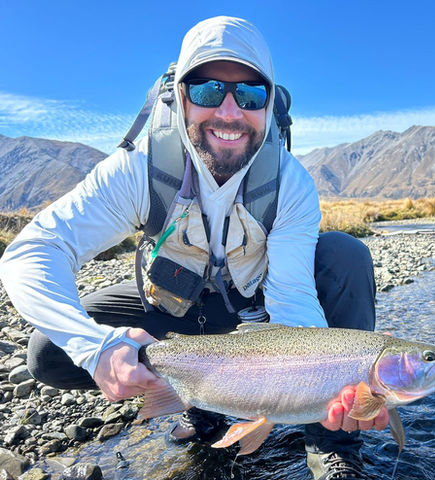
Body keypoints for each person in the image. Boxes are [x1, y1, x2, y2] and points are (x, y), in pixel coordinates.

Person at [0, 16, 388, 480]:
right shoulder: (136, 169)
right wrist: (95, 348)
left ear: (269, 105)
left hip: (255, 316)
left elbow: (293, 304)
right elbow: (35, 249)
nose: (230, 112)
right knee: (48, 351)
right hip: (171, 312)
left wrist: (329, 387)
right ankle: (199, 397)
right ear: (180, 96)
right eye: (208, 91)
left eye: (250, 94)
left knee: (345, 253)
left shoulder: (290, 183)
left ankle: (333, 442)